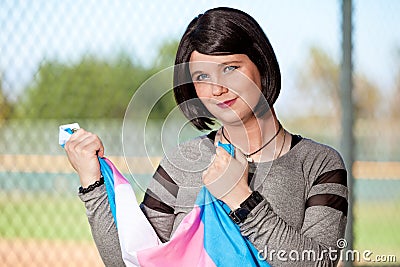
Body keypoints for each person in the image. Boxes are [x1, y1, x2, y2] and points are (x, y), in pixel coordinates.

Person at [65, 7, 348, 266]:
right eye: (201, 77)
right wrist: (93, 183)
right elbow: (133, 259)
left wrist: (241, 199)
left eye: (230, 69)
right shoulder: (179, 163)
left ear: (261, 65)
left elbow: (318, 262)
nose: (216, 89)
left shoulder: (318, 163)